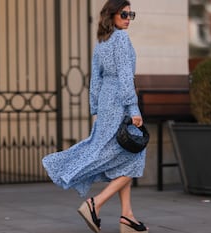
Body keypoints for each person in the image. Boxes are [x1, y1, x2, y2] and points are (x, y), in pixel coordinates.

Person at [42, 0, 148, 232]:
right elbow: (124, 77)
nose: (128, 18)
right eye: (124, 14)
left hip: (107, 102)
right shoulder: (120, 39)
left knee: (123, 156)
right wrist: (134, 109)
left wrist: (97, 109)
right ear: (112, 15)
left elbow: (96, 79)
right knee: (135, 156)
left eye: (131, 14)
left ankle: (127, 216)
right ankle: (95, 203)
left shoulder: (102, 41)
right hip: (120, 102)